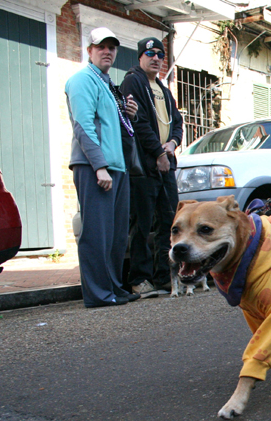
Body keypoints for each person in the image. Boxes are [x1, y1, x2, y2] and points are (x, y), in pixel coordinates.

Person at [66, 27, 140, 308]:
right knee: (97, 233)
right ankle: (99, 294)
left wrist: (128, 114)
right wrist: (99, 167)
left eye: (112, 47)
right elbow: (83, 126)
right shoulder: (82, 80)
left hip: (116, 167)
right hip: (94, 166)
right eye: (101, 47)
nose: (107, 51)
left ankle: (114, 288)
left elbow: (113, 128)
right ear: (89, 51)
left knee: (117, 234)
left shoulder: (108, 85)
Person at [121, 37, 184, 298]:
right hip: (145, 166)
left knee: (169, 223)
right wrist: (158, 153)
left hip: (165, 164)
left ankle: (164, 277)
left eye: (160, 54)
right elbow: (139, 123)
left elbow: (178, 122)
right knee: (142, 223)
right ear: (140, 57)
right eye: (150, 53)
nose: (156, 58)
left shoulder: (162, 88)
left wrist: (171, 143)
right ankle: (139, 279)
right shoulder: (133, 81)